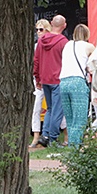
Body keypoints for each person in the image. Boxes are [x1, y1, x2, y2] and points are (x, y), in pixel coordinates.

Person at [33, 15, 68, 146]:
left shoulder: (41, 41)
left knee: (50, 109)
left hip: (44, 78)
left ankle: (45, 135)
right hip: (58, 79)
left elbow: (36, 60)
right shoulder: (63, 42)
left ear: (51, 23)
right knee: (58, 110)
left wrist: (37, 78)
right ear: (64, 26)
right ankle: (52, 138)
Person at [59, 24, 94, 146]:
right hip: (78, 82)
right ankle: (76, 149)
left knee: (69, 120)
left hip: (63, 82)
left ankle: (71, 147)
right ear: (87, 34)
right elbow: (94, 64)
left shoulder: (67, 45)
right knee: (79, 120)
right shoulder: (89, 47)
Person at [29, 19, 50, 149]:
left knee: (55, 106)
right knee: (36, 107)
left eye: (41, 29)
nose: (38, 32)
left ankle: (64, 135)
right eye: (37, 29)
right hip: (39, 80)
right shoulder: (37, 45)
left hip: (49, 78)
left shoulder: (52, 42)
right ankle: (36, 136)